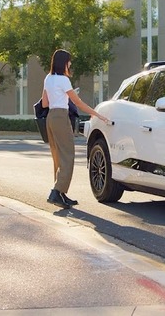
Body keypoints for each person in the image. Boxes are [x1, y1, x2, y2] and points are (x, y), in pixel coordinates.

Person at [42, 49, 110, 209]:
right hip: (60, 117)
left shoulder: (48, 78)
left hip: (51, 117)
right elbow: (78, 103)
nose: (70, 64)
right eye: (69, 61)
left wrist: (59, 96)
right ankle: (56, 191)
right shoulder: (64, 80)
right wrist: (97, 114)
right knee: (68, 156)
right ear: (63, 63)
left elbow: (45, 103)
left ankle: (61, 194)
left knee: (58, 157)